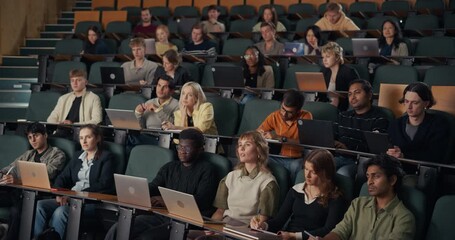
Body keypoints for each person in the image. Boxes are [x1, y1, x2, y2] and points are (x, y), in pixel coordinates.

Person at [104, 128, 218, 240]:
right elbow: (154, 187)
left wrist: (166, 201)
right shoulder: (170, 167)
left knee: (146, 237)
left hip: (186, 222)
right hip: (162, 216)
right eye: (180, 146)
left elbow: (201, 201)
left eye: (187, 147)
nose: (182, 151)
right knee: (119, 228)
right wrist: (137, 190)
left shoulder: (207, 170)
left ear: (199, 149)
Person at [188, 131, 279, 239]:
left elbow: (262, 220)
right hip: (223, 226)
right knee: (184, 233)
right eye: (240, 145)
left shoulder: (268, 182)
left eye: (247, 145)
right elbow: (220, 211)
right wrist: (210, 227)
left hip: (244, 230)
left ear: (259, 150)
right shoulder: (230, 176)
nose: (241, 148)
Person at [34, 124, 115, 239]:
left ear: (98, 138)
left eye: (88, 137)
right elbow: (62, 177)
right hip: (70, 197)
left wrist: (75, 196)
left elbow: (104, 184)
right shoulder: (77, 156)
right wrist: (59, 194)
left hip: (91, 202)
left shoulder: (106, 157)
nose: (84, 141)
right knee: (40, 205)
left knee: (61, 211)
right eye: (81, 138)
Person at [310, 154, 415, 240]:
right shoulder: (358, 204)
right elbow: (340, 231)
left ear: (392, 180)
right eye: (368, 176)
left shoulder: (404, 218)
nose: (369, 182)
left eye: (376, 176)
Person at [251, 149, 347, 240]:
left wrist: (295, 236)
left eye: (313, 172)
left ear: (325, 173)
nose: (307, 175)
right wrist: (263, 226)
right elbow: (279, 221)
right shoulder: (296, 190)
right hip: (288, 236)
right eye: (306, 169)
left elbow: (328, 230)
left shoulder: (335, 198)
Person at [0, 122, 66, 240]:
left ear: (45, 135)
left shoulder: (57, 154)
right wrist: (2, 174)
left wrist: (18, 180)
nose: (33, 140)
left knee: (15, 212)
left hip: (38, 196)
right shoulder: (29, 154)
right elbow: (10, 168)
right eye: (30, 137)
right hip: (18, 194)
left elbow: (46, 174)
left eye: (36, 135)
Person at [387, 82, 450, 163]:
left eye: (415, 103)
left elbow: (436, 155)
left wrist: (404, 156)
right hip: (397, 169)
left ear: (426, 103)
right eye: (406, 101)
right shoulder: (395, 124)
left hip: (425, 171)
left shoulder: (439, 124)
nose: (409, 107)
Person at [258, 89, 313, 182]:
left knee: (296, 166)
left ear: (298, 111)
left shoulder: (306, 116)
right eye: (283, 109)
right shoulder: (274, 116)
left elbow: (306, 142)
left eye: (290, 112)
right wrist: (262, 135)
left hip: (296, 158)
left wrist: (281, 138)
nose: (284, 114)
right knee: (259, 159)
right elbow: (257, 132)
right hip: (277, 157)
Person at [337, 80, 390, 153]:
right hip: (338, 155)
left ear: (369, 95)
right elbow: (333, 136)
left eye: (357, 92)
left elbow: (376, 148)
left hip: (360, 160)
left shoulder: (379, 118)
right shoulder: (343, 115)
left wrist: (348, 148)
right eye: (350, 94)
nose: (352, 97)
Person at [320, 42, 359, 111]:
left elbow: (357, 93)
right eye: (323, 57)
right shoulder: (323, 71)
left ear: (337, 57)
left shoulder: (349, 72)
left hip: (344, 108)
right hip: (326, 107)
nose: (324, 60)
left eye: (328, 56)